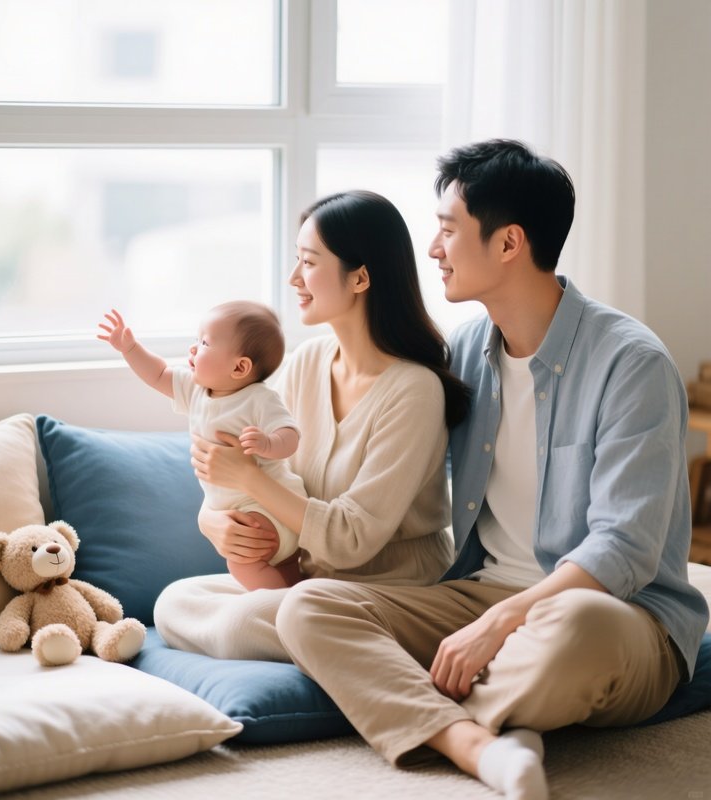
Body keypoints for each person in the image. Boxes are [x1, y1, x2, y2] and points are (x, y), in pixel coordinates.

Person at [274, 140, 709, 800]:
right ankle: (479, 744)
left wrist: (501, 625)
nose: (432, 249)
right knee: (307, 609)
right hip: (479, 593)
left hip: (615, 614)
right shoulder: (466, 354)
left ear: (508, 244)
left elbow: (624, 551)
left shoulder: (631, 364)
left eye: (448, 229)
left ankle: (429, 706)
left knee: (575, 627)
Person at [152, 190, 471, 661]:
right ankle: (321, 644)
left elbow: (351, 539)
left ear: (359, 277)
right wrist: (214, 522)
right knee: (174, 601)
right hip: (312, 585)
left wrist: (247, 477)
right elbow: (253, 474)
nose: (294, 278)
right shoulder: (309, 361)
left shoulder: (414, 391)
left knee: (242, 623)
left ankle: (338, 645)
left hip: (394, 591)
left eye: (309, 262)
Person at [97, 301, 306, 590]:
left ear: (240, 366)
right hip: (234, 510)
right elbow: (157, 374)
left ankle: (279, 602)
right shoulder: (195, 389)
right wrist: (130, 349)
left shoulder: (259, 399)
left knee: (242, 561)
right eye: (197, 340)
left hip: (269, 507)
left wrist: (268, 443)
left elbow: (290, 436)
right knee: (280, 565)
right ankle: (296, 589)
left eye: (205, 343)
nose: (193, 348)